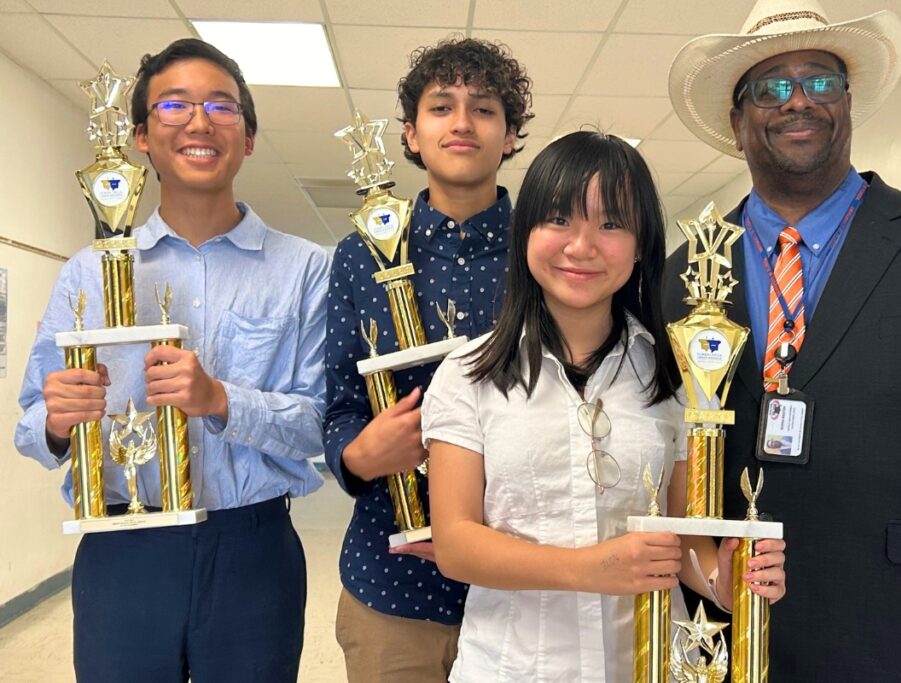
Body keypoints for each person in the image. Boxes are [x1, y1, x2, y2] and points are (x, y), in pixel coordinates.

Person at [663, 1, 901, 680]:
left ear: (850, 102)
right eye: (769, 87)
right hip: (732, 640)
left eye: (821, 80)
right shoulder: (682, 276)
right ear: (736, 122)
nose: (798, 101)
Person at [15, 38, 329, 682]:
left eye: (222, 105)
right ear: (140, 138)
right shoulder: (88, 273)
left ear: (247, 138)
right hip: (122, 550)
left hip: (253, 550)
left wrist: (221, 400)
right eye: (174, 105)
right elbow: (30, 424)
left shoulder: (304, 270)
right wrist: (55, 420)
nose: (200, 120)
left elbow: (320, 423)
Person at [423, 131, 787, 681]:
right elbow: (456, 544)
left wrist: (725, 582)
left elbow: (683, 532)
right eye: (559, 219)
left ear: (642, 243)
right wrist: (589, 568)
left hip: (647, 662)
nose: (582, 245)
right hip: (514, 666)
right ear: (526, 234)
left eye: (611, 223)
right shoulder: (467, 376)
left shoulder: (677, 375)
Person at [323, 38, 533, 681]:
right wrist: (358, 454)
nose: (463, 122)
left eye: (485, 108)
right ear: (412, 135)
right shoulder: (360, 256)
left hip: (525, 589)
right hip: (394, 592)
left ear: (511, 135)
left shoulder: (549, 252)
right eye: (443, 107)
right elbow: (337, 402)